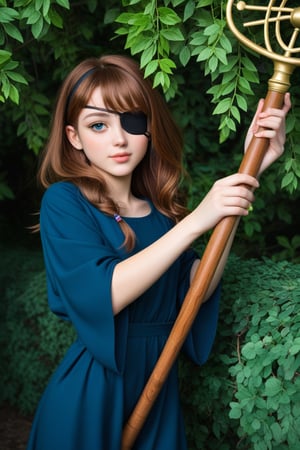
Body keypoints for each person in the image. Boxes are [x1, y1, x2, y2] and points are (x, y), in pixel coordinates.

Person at [27, 54, 291, 450]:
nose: (119, 138)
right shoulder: (64, 202)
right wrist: (199, 220)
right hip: (92, 397)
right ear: (74, 137)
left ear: (148, 128)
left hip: (158, 393)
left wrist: (252, 170)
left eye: (132, 121)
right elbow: (105, 292)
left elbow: (198, 285)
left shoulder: (158, 212)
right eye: (98, 125)